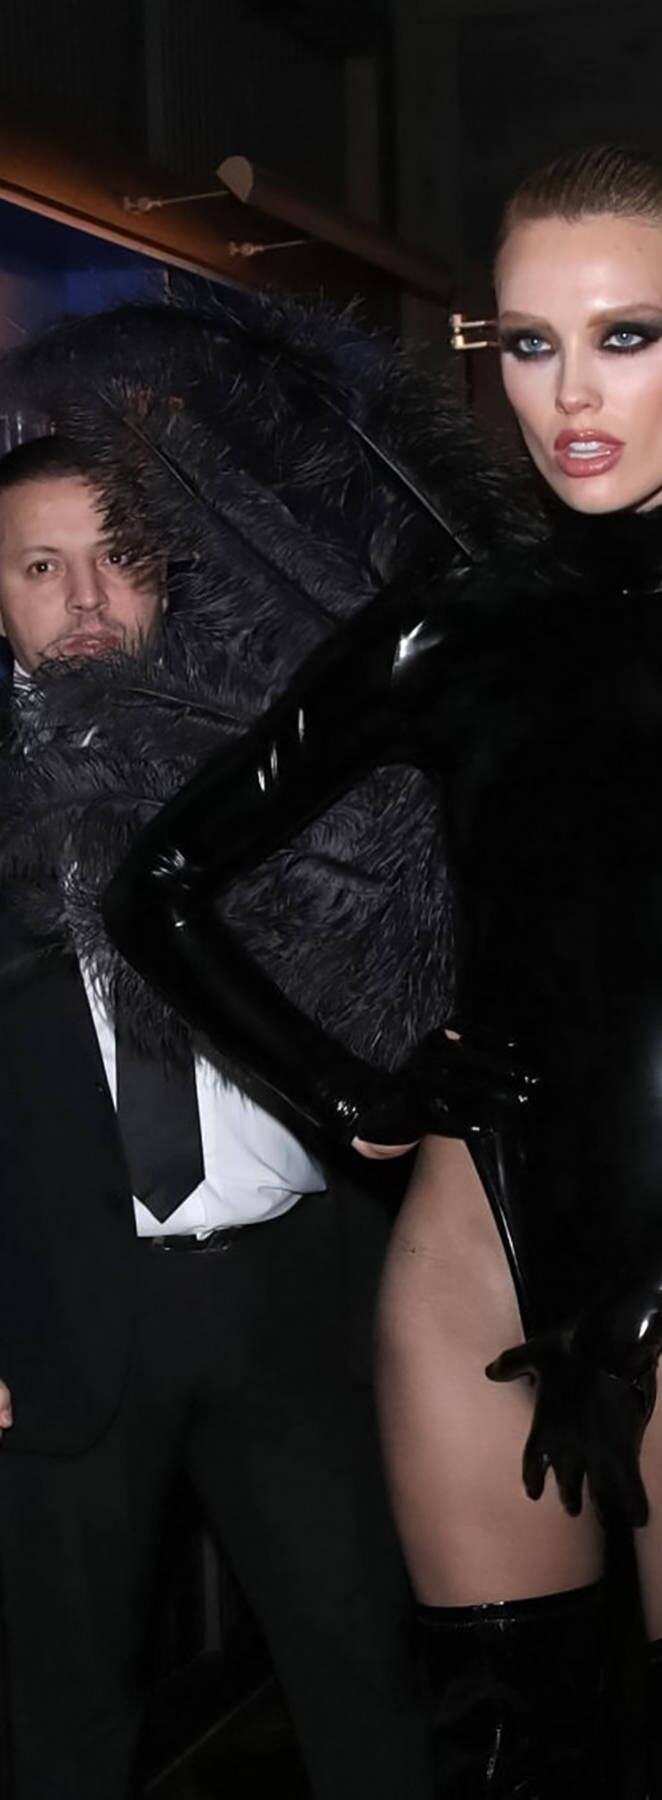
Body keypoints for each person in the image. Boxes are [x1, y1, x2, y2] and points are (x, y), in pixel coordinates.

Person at [97, 145, 662, 1798]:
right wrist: (353, 1092)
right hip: (471, 1259)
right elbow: (162, 885)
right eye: (529, 344)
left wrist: (638, 1305)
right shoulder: (447, 626)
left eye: (627, 335)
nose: (574, 395)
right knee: (503, 1763)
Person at [0, 436, 431, 1800]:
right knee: (66, 1729)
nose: (85, 600)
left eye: (117, 557)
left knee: (368, 1696)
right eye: (41, 566)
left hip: (295, 1301)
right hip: (55, 1315)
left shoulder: (278, 748)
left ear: (168, 573)